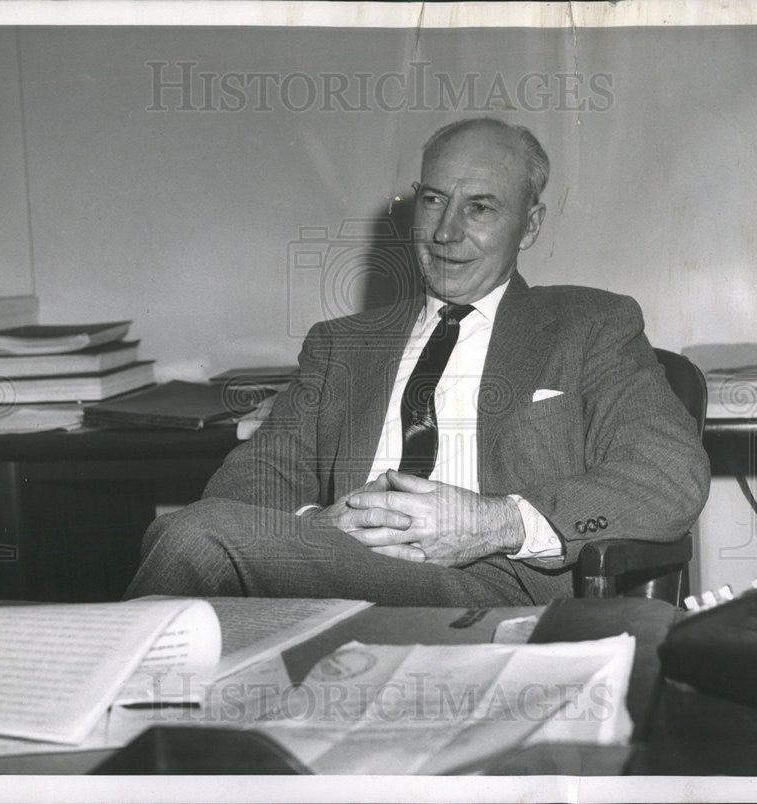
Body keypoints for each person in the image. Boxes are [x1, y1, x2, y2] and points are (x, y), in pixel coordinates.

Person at [124, 117, 710, 606]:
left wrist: (491, 523)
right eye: (434, 200)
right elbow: (248, 479)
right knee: (199, 532)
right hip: (335, 572)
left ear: (529, 225)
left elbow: (668, 475)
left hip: (492, 587)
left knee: (194, 538)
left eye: (480, 208)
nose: (446, 232)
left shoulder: (590, 325)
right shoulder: (341, 343)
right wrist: (317, 525)